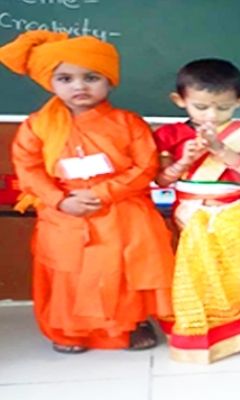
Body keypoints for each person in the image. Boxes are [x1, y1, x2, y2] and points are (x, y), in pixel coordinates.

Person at [0, 31, 174, 353]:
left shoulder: (128, 123)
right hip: (64, 209)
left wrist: (103, 193)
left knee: (124, 265)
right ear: (50, 82)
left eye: (91, 78)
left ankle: (131, 323)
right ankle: (71, 330)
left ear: (110, 81)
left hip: (120, 204)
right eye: (65, 78)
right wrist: (61, 201)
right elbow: (28, 169)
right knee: (70, 271)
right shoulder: (36, 125)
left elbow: (145, 166)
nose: (79, 86)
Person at [153, 58, 240, 363]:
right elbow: (162, 179)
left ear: (239, 102)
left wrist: (220, 149)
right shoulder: (169, 135)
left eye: (223, 107)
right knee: (198, 274)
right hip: (190, 214)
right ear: (179, 100)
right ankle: (200, 329)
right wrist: (184, 161)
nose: (212, 115)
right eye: (201, 107)